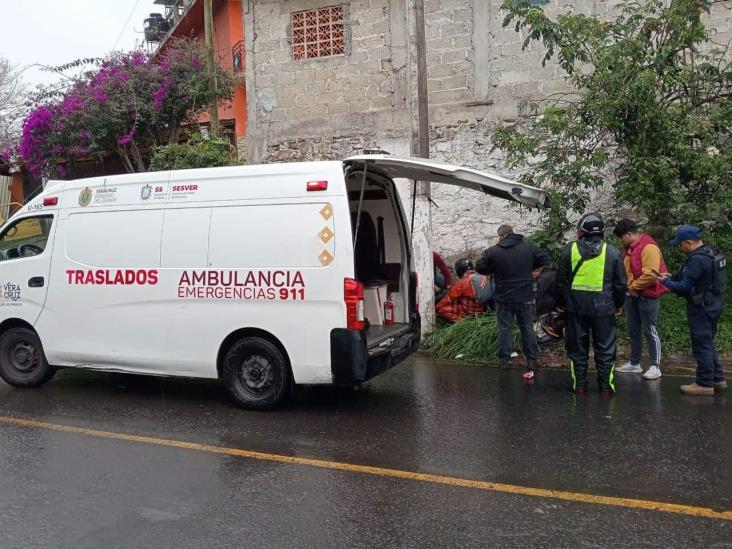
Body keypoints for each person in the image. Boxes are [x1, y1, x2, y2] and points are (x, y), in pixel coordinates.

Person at [554, 214, 627, 395]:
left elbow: (560, 282)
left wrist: (561, 303)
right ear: (602, 232)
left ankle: (579, 386)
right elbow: (620, 284)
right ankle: (605, 387)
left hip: (576, 308)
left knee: (577, 348)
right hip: (604, 308)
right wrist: (618, 304)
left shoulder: (569, 250)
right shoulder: (612, 252)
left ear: (581, 231)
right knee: (606, 348)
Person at [658, 226, 727, 396]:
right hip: (713, 303)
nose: (679, 248)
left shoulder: (697, 260)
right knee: (708, 343)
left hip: (701, 307)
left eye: (680, 244)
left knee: (701, 345)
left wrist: (664, 282)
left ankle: (704, 384)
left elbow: (683, 287)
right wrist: (672, 277)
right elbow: (692, 278)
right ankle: (718, 379)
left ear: (688, 243)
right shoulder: (710, 252)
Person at [476, 224, 549, 376]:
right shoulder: (528, 247)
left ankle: (505, 361)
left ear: (501, 236)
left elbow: (480, 267)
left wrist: (493, 268)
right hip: (525, 296)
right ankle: (531, 360)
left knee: (505, 329)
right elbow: (544, 258)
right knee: (527, 328)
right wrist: (530, 267)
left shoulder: (493, 251)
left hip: (504, 297)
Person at [613, 219, 668, 380]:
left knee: (650, 330)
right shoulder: (629, 249)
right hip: (632, 296)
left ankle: (655, 366)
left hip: (648, 296)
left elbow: (651, 274)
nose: (621, 241)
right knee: (633, 329)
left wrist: (633, 287)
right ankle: (634, 362)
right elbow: (627, 272)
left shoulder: (649, 247)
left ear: (629, 234)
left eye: (621, 237)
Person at [436, 258, 493, 323]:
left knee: (442, 309)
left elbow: (442, 304)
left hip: (469, 315)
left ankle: (463, 322)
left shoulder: (462, 282)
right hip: (484, 313)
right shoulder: (485, 277)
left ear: (459, 271)